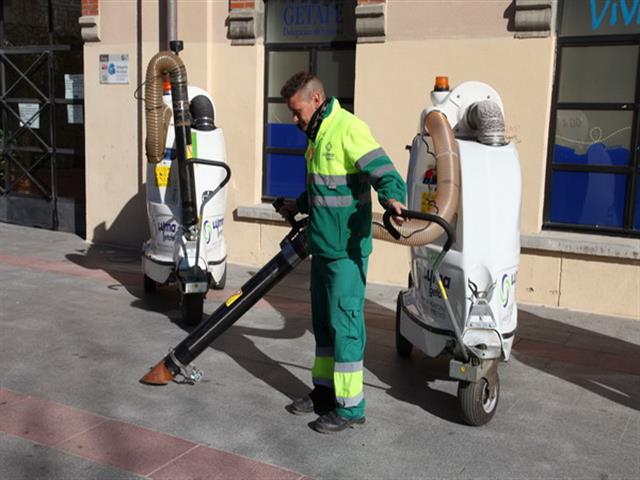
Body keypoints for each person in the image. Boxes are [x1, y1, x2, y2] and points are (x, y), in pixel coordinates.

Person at [277, 72, 407, 434]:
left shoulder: (348, 128)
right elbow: (326, 189)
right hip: (323, 248)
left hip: (347, 253)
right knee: (324, 326)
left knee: (345, 326)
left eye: (296, 110)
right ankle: (324, 393)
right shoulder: (317, 134)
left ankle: (351, 409)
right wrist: (298, 204)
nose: (294, 118)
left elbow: (384, 171)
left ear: (315, 100)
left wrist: (394, 197)